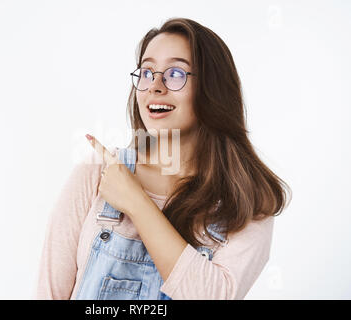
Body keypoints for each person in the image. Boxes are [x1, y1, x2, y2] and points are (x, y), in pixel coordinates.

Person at [35, 17, 291, 300]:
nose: (155, 86)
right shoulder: (98, 173)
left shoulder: (248, 201)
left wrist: (137, 203)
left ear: (212, 88)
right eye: (147, 72)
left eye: (175, 73)